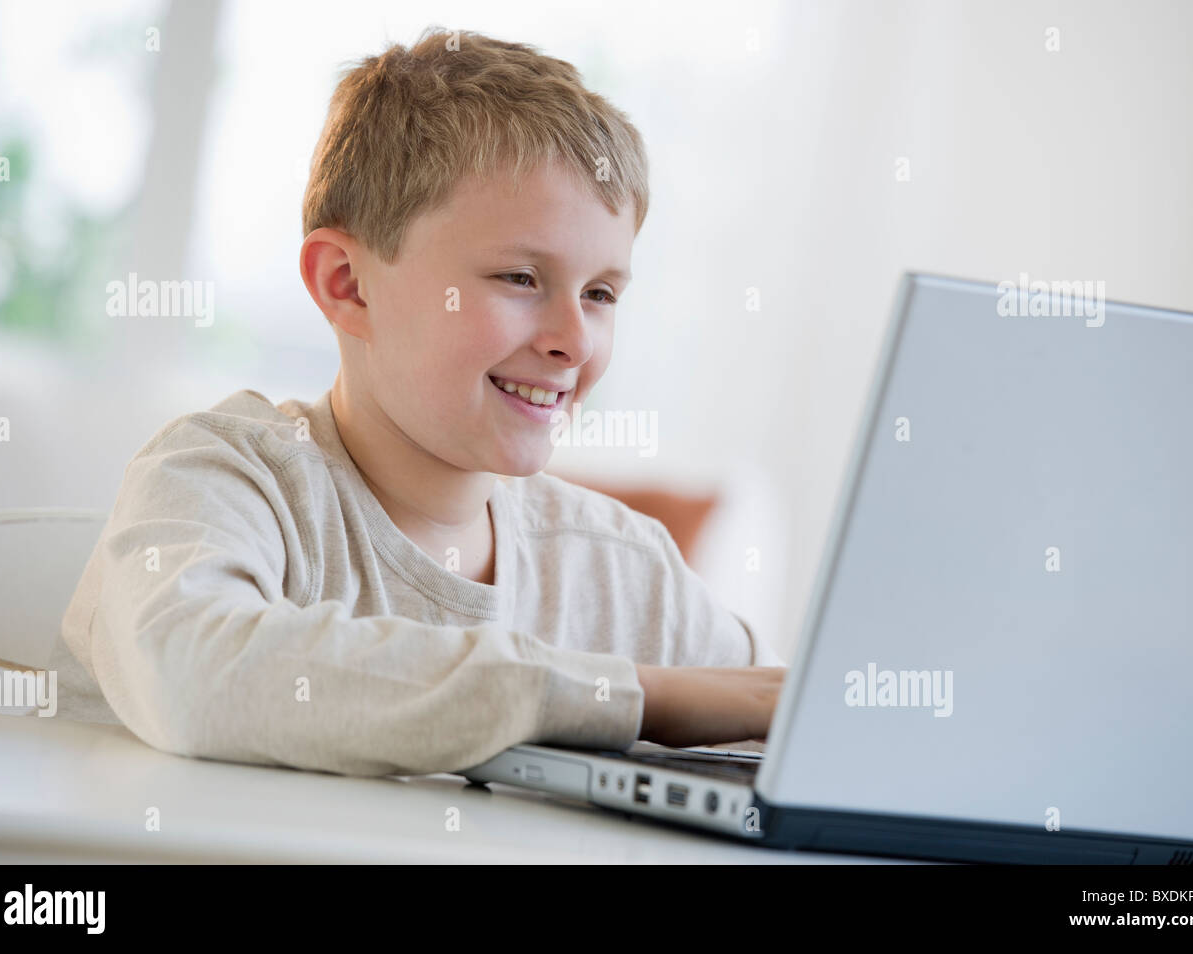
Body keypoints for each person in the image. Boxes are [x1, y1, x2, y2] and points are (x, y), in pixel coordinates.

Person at [48, 26, 785, 777]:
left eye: (600, 293)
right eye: (521, 279)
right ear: (348, 283)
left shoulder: (627, 574)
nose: (574, 339)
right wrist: (628, 696)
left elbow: (788, 721)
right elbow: (194, 674)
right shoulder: (224, 481)